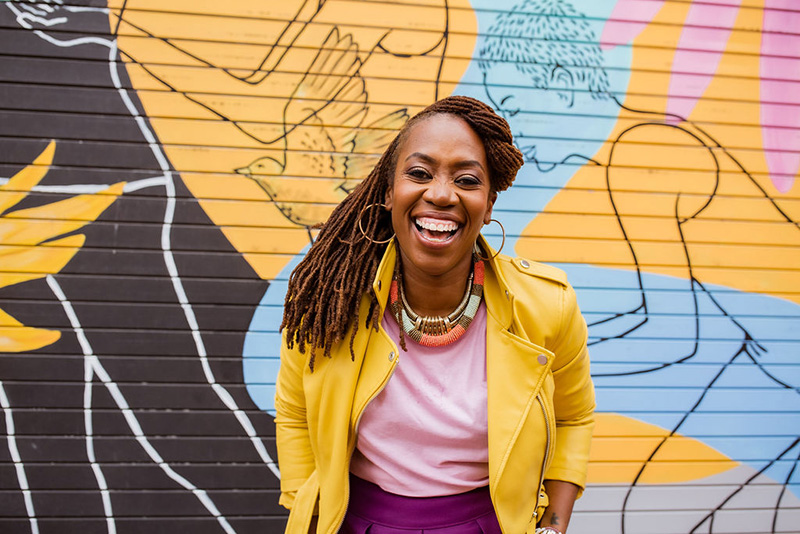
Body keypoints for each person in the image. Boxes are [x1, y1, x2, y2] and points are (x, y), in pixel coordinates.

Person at [274, 96, 595, 534]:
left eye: (466, 180)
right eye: (419, 174)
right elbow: (294, 412)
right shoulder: (331, 302)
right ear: (389, 191)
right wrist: (305, 507)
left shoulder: (546, 306)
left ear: (490, 203)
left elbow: (572, 417)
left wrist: (553, 528)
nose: (441, 194)